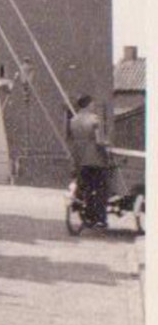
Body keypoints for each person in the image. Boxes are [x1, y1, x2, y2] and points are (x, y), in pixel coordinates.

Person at [67, 94, 110, 226]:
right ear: (88, 105)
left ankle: (78, 205)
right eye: (92, 104)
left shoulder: (73, 120)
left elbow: (71, 139)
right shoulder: (94, 120)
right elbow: (99, 141)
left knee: (84, 185)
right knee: (101, 187)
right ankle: (99, 217)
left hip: (79, 158)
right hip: (94, 159)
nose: (94, 106)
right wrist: (106, 145)